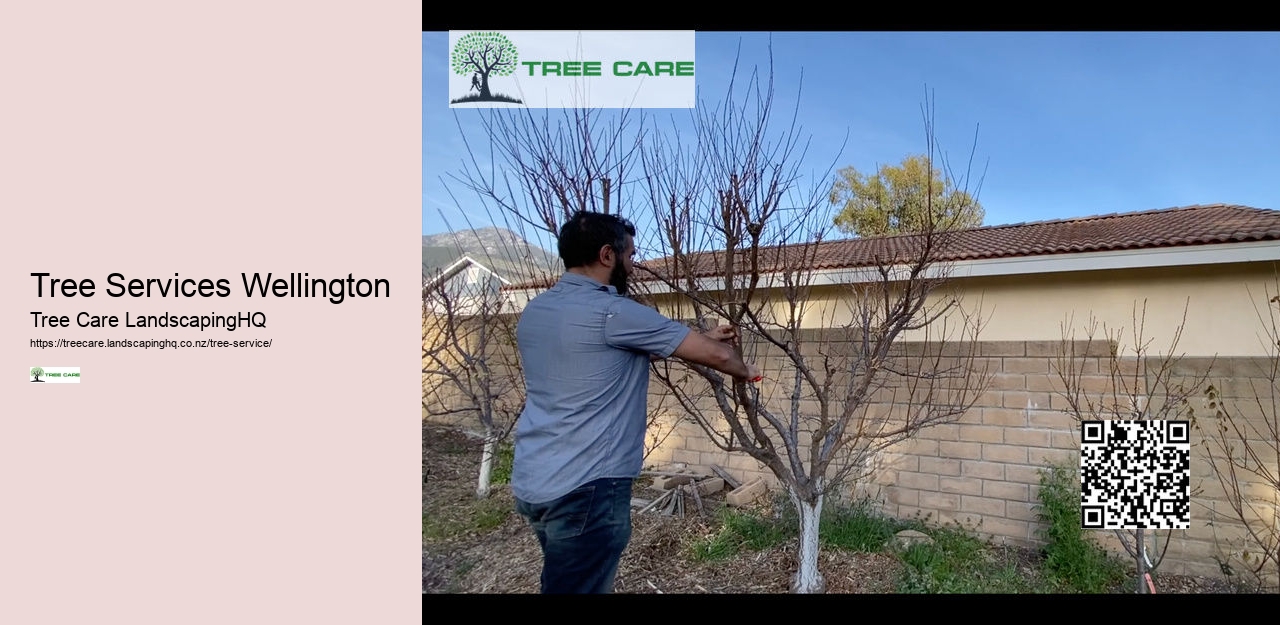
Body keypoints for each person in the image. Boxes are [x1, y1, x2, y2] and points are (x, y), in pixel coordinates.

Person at [511, 210, 761, 594]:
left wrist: (704, 334)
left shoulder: (536, 311)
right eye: (630, 255)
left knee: (563, 581)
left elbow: (611, 352)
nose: (634, 264)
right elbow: (722, 359)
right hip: (587, 488)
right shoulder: (614, 311)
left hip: (535, 481)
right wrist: (748, 373)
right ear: (607, 255)